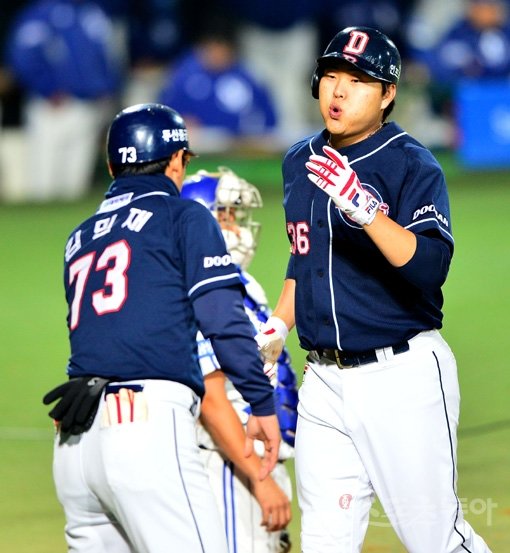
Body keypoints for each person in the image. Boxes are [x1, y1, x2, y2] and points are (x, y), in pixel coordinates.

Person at [255, 26, 493, 553]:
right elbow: (305, 258)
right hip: (323, 384)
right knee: (324, 543)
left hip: (402, 377)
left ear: (388, 95)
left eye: (358, 81)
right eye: (331, 77)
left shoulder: (410, 162)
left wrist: (366, 211)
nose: (338, 91)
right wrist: (277, 324)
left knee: (434, 539)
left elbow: (429, 267)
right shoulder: (300, 161)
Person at [42, 103, 281, 553]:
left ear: (113, 166)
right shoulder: (184, 216)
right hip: (144, 431)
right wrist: (260, 401)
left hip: (74, 440)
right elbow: (222, 319)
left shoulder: (80, 236)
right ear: (176, 161)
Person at [181, 168, 298, 553]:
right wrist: (260, 481)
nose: (239, 227)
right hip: (229, 464)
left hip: (261, 459)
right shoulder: (195, 289)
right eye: (226, 216)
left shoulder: (246, 284)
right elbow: (211, 400)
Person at [5, 0, 123, 202]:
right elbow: (23, 56)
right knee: (43, 181)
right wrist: (47, 88)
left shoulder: (94, 13)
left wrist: (106, 88)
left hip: (88, 105)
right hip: (52, 107)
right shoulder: (41, 13)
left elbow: (108, 57)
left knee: (76, 182)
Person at [157, 15, 277, 153]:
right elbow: (166, 114)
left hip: (241, 141)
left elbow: (269, 118)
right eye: (212, 48)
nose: (217, 54)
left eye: (221, 48)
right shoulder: (185, 74)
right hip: (201, 141)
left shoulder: (245, 75)